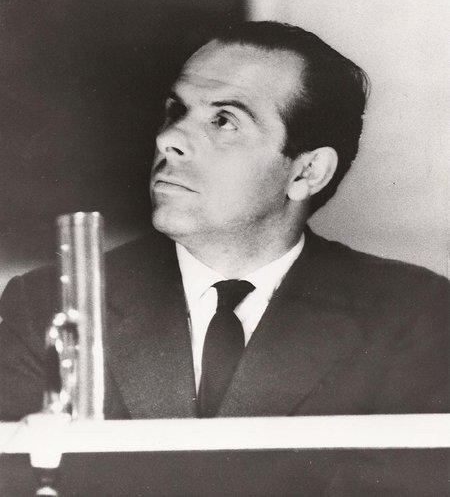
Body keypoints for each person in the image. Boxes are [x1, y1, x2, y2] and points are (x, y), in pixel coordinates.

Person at [0, 21, 448, 421]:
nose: (169, 138)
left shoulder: (413, 316)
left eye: (223, 120)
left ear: (307, 172)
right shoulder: (48, 306)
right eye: (177, 111)